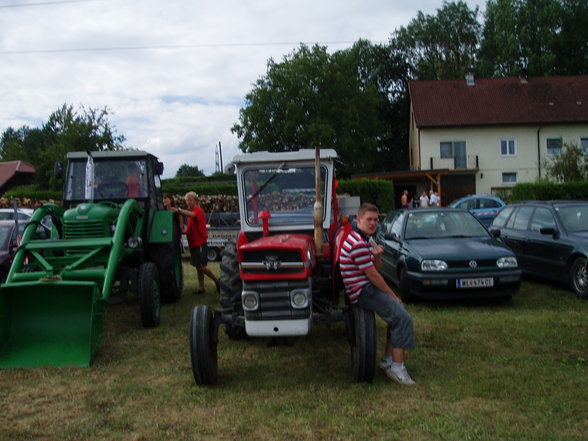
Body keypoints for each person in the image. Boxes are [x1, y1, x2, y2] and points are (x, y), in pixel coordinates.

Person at [339, 203, 416, 386]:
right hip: (361, 291)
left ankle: (388, 361)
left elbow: (375, 267)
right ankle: (397, 369)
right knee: (403, 317)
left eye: (376, 220)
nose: (373, 223)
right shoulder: (358, 243)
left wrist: (377, 256)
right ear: (358, 220)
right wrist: (393, 296)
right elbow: (374, 276)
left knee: (398, 314)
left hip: (364, 287)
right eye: (369, 220)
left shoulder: (365, 238)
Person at [176, 191, 220, 294]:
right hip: (193, 244)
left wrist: (179, 211)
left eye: (190, 200)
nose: (188, 202)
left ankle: (217, 282)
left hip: (199, 243)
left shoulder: (198, 211)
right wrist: (181, 228)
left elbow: (192, 214)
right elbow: (188, 230)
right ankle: (201, 287)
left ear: (195, 201)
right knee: (198, 267)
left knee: (201, 266)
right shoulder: (190, 215)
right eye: (187, 200)